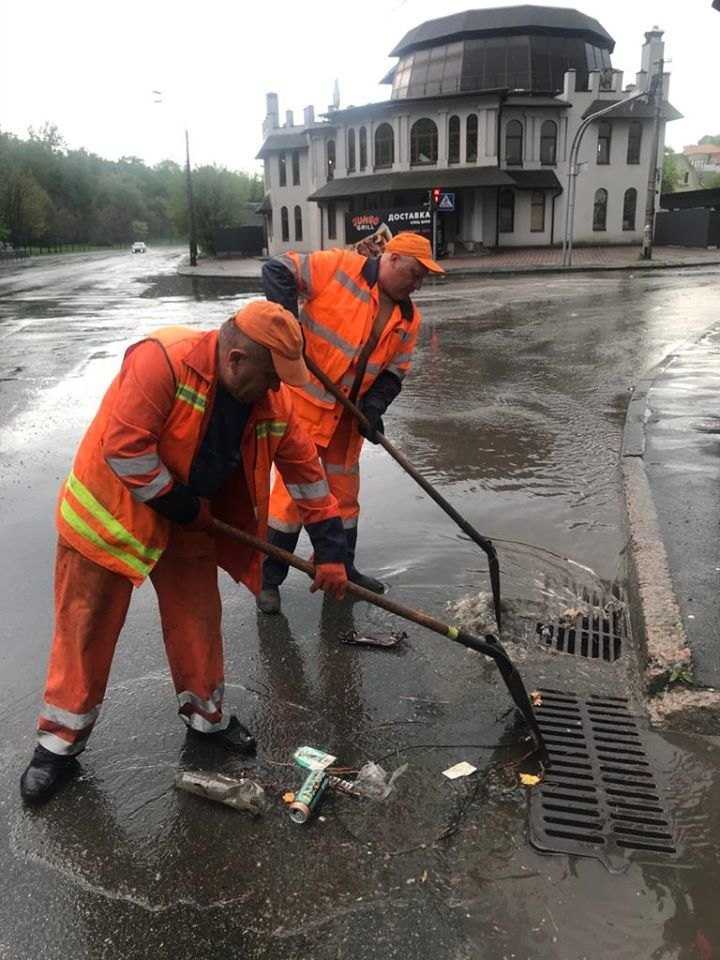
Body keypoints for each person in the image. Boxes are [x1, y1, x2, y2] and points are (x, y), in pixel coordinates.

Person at [20, 301, 348, 804]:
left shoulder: (270, 404)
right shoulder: (162, 359)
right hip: (111, 515)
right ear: (236, 359)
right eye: (270, 376)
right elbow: (125, 447)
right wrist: (179, 504)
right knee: (85, 629)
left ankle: (206, 719)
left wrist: (330, 552)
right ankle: (57, 745)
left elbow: (306, 474)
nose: (277, 389)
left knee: (198, 620)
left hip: (192, 517)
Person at [258, 230, 445, 615]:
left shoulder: (408, 318)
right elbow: (277, 270)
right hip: (305, 409)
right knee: (292, 502)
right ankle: (268, 581)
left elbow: (395, 372)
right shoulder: (340, 268)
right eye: (414, 273)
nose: (418, 283)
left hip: (346, 418)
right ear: (392, 260)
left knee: (344, 499)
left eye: (423, 278)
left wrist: (373, 410)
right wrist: (287, 325)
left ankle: (342, 569)